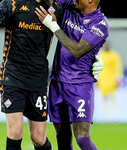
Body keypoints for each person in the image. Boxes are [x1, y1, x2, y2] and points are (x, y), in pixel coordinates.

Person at [0, 0, 103, 149]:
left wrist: (93, 57)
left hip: (38, 80)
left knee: (38, 138)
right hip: (13, 76)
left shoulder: (58, 6)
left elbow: (84, 19)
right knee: (16, 131)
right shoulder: (12, 4)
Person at [35, 0, 109, 149]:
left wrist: (54, 27)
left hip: (80, 85)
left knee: (82, 138)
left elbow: (77, 50)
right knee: (62, 136)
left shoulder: (100, 23)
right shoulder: (71, 5)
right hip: (57, 82)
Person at [97, 42, 124, 122]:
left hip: (112, 80)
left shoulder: (114, 55)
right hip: (103, 80)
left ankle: (115, 117)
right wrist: (96, 79)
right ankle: (106, 117)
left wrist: (119, 79)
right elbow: (97, 68)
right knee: (104, 99)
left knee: (113, 99)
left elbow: (118, 67)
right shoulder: (100, 55)